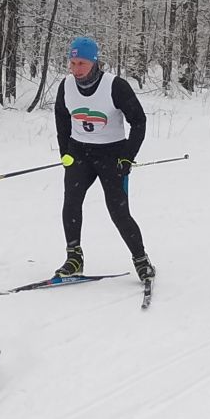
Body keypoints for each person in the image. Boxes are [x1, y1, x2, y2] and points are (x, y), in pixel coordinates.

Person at [53, 35, 154, 284]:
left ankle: (141, 260)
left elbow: (139, 122)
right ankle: (73, 257)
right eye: (73, 63)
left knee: (118, 212)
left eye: (82, 64)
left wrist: (128, 157)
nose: (76, 69)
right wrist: (64, 151)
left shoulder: (115, 86)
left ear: (95, 63)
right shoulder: (65, 86)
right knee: (71, 203)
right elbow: (62, 119)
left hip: (112, 155)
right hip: (79, 154)